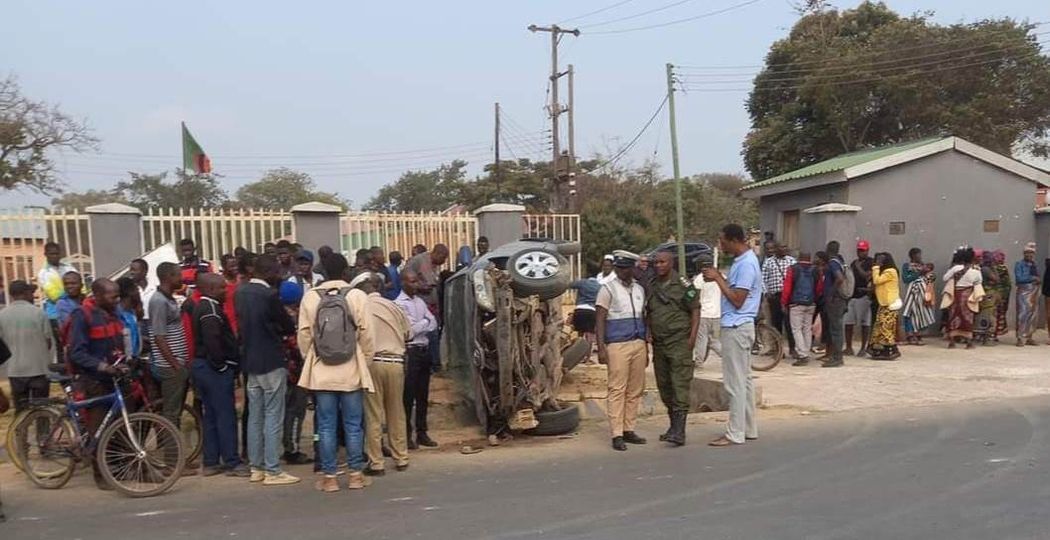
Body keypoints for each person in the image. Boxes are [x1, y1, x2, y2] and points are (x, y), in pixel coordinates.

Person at [297, 261, 376, 492]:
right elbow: (367, 334)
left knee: (326, 425)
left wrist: (310, 359)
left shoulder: (310, 297)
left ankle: (330, 478)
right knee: (353, 425)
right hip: (351, 369)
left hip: (322, 371)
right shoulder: (358, 296)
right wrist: (365, 361)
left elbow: (304, 335)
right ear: (345, 273)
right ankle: (355, 475)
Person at [235, 254, 299, 485]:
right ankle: (272, 469)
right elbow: (287, 325)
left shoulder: (241, 292)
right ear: (270, 272)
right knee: (273, 415)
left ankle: (256, 467)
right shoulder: (269, 295)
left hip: (251, 360)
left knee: (255, 416)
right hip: (271, 360)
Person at [703, 224, 762, 447]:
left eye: (722, 240)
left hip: (737, 326)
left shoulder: (746, 264)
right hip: (740, 327)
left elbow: (738, 300)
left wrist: (718, 278)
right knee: (744, 381)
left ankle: (734, 432)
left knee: (734, 383)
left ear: (733, 240)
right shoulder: (743, 261)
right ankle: (748, 428)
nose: (721, 245)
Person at [67, 278, 128, 489]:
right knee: (98, 427)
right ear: (98, 296)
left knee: (118, 425)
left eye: (118, 295)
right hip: (92, 379)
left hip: (113, 376)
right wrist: (101, 366)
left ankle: (119, 468)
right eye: (113, 296)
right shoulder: (82, 316)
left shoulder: (112, 313)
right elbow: (76, 353)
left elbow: (117, 341)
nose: (117, 300)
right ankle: (100, 474)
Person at [191, 274, 250, 477]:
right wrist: (223, 365)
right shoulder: (211, 310)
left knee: (212, 416)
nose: (226, 292)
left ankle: (211, 461)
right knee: (225, 415)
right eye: (222, 289)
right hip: (212, 370)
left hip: (203, 368)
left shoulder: (203, 307)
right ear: (211, 290)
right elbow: (212, 341)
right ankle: (232, 461)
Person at [357, 272, 411, 475]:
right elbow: (409, 334)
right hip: (396, 363)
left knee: (373, 414)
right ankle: (401, 458)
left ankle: (376, 462)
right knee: (397, 412)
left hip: (373, 363)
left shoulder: (361, 308)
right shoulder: (393, 306)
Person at [645, 249, 699, 447]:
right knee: (664, 386)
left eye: (662, 262)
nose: (658, 265)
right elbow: (649, 311)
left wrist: (692, 337)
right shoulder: (652, 285)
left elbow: (695, 310)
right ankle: (672, 426)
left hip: (679, 342)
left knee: (679, 385)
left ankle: (680, 430)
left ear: (672, 263)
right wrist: (648, 331)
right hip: (659, 344)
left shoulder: (684, 284)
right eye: (656, 262)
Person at [595, 251, 648, 452]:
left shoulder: (639, 289)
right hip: (617, 345)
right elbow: (599, 319)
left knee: (635, 389)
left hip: (638, 342)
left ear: (632, 269)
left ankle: (629, 428)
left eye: (625, 268)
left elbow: (643, 316)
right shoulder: (607, 289)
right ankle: (616, 433)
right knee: (617, 389)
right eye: (619, 268)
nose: (622, 271)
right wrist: (601, 347)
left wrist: (646, 346)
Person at [396, 269, 440, 449]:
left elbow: (434, 322)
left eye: (416, 281)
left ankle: (422, 432)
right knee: (408, 396)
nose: (416, 285)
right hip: (410, 353)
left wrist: (421, 323)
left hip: (424, 350)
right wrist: (424, 323)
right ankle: (406, 435)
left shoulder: (420, 302)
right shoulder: (398, 304)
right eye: (412, 282)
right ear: (403, 283)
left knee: (423, 395)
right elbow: (410, 331)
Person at [0, 280, 52, 418]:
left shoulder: (2, 315)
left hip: (15, 371)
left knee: (21, 410)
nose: (33, 295)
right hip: (38, 369)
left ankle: (20, 436)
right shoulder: (39, 313)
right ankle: (43, 436)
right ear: (25, 293)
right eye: (31, 292)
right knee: (42, 409)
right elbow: (48, 342)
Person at [278, 281, 312, 466]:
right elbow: (298, 346)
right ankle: (292, 449)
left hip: (283, 370)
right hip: (296, 373)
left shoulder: (277, 316)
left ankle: (287, 446)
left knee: (286, 411)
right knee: (296, 411)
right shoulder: (294, 320)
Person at [781, 252, 821, 366]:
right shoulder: (815, 270)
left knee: (796, 329)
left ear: (799, 258)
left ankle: (802, 354)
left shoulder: (793, 269)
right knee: (807, 329)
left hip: (796, 304)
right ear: (810, 258)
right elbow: (819, 287)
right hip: (811, 303)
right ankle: (806, 352)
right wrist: (815, 299)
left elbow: (787, 287)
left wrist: (784, 302)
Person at [943, 247, 982, 349]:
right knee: (968, 318)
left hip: (955, 295)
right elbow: (978, 282)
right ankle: (969, 342)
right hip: (968, 296)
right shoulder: (976, 270)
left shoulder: (955, 269)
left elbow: (945, 278)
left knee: (953, 316)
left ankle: (952, 342)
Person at [761, 242, 797, 357]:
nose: (785, 249)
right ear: (776, 249)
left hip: (788, 297)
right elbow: (763, 279)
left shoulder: (791, 261)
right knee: (776, 324)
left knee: (790, 324)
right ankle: (779, 350)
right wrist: (766, 292)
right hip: (775, 297)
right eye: (782, 247)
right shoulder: (768, 262)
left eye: (786, 246)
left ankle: (792, 349)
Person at [37, 241, 76, 330]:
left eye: (57, 253)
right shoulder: (44, 273)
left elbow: (82, 288)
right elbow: (55, 296)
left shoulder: (69, 267)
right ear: (45, 254)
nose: (55, 256)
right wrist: (74, 292)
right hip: (55, 314)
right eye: (52, 254)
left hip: (75, 310)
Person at [821, 242, 848, 368]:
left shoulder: (833, 263)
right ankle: (835, 355)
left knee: (836, 329)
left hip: (835, 300)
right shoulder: (840, 261)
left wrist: (830, 294)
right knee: (836, 328)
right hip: (839, 299)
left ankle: (837, 357)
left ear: (828, 250)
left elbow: (839, 278)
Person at [691, 255, 723, 366]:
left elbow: (695, 297)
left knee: (702, 339)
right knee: (713, 340)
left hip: (704, 313)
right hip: (718, 313)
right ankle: (727, 356)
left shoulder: (700, 278)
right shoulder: (720, 276)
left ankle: (699, 362)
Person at [870, 253, 902, 360]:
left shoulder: (890, 271)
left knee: (885, 327)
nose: (879, 262)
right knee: (879, 326)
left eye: (881, 260)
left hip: (889, 303)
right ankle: (878, 349)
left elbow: (876, 280)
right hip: (884, 303)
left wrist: (875, 266)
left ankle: (892, 350)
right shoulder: (885, 271)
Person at [845, 240, 874, 357]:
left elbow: (867, 276)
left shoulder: (871, 262)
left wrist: (858, 267)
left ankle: (863, 348)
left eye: (863, 250)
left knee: (864, 323)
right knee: (848, 322)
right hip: (853, 296)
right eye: (859, 250)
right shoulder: (853, 263)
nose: (860, 252)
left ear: (867, 250)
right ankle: (848, 347)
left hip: (864, 296)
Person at [901, 248, 935, 345]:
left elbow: (931, 279)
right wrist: (919, 273)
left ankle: (918, 335)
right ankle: (910, 335)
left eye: (920, 254)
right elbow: (905, 279)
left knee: (921, 313)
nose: (920, 257)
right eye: (918, 255)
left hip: (922, 293)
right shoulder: (907, 266)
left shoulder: (924, 266)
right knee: (909, 313)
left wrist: (929, 272)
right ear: (912, 256)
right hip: (912, 292)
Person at [1014, 243, 1040, 347]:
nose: (1030, 255)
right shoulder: (1019, 264)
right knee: (1022, 314)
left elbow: (1037, 277)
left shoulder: (1033, 265)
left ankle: (1029, 337)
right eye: (1028, 253)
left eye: (1032, 253)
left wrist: (1037, 280)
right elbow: (1019, 278)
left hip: (1034, 292)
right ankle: (1020, 338)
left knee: (1033, 315)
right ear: (1024, 253)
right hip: (1023, 293)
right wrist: (1033, 278)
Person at [569, 276, 601, 353]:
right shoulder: (600, 286)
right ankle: (587, 357)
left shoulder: (583, 282)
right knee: (589, 335)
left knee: (580, 334)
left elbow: (570, 285)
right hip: (592, 311)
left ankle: (578, 355)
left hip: (580, 309)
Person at [114, 277, 144, 359]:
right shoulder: (116, 315)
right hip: (123, 362)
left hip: (135, 359)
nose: (138, 291)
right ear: (130, 292)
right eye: (136, 288)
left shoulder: (132, 313)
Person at [975, 251, 1001, 345]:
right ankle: (986, 337)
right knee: (988, 315)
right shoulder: (986, 269)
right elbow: (996, 279)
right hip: (987, 295)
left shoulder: (985, 268)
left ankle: (985, 336)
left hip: (989, 294)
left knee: (988, 315)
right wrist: (994, 270)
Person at [993, 250, 1012, 341]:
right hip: (1001, 296)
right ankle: (994, 334)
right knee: (998, 315)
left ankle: (993, 334)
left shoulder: (993, 268)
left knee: (994, 315)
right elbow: (1007, 284)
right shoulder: (1002, 269)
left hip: (995, 295)